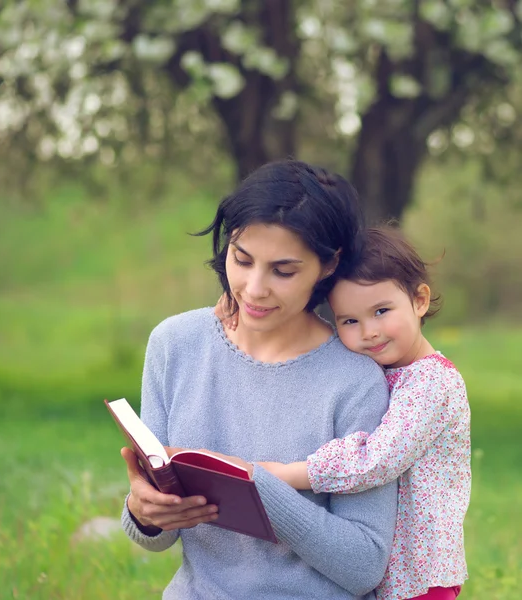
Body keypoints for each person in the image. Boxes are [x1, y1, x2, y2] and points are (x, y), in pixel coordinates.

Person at [120, 160, 398, 600]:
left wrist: (255, 485)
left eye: (283, 271)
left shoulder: (355, 382)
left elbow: (364, 563)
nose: (252, 288)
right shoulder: (176, 344)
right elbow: (157, 536)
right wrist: (144, 511)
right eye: (242, 259)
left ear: (328, 265)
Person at [220, 227, 471, 600]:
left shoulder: (431, 384)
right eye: (349, 321)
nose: (369, 332)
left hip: (419, 573)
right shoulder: (382, 370)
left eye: (381, 311)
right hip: (388, 572)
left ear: (419, 300)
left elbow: (377, 459)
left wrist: (289, 474)